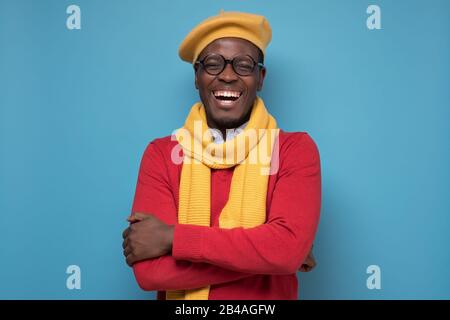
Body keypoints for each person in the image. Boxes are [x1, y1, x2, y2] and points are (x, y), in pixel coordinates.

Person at [122, 10, 321, 300]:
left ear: (260, 77)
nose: (227, 75)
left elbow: (286, 252)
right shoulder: (162, 154)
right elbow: (150, 273)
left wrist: (171, 238)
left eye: (243, 65)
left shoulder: (294, 150)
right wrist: (276, 256)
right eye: (213, 64)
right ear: (197, 76)